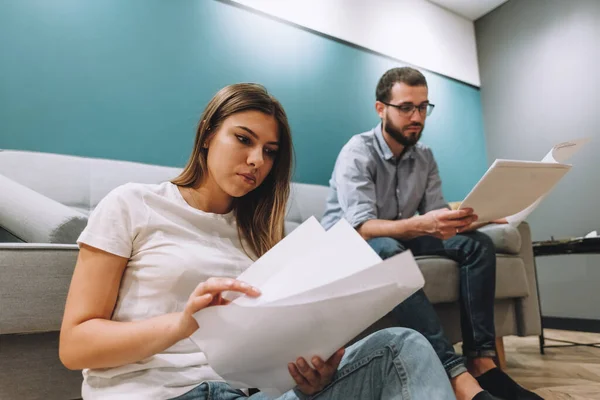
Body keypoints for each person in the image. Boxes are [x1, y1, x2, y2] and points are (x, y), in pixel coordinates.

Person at [59, 83, 455, 400]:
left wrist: (308, 378)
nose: (256, 161)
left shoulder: (261, 237)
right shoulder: (133, 203)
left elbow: (269, 365)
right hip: (151, 393)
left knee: (401, 347)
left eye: (269, 152)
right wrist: (182, 324)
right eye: (243, 139)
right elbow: (74, 346)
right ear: (208, 134)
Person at [321, 67, 544, 400]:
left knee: (477, 245)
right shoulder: (358, 152)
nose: (417, 116)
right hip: (354, 244)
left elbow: (437, 216)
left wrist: (486, 215)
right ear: (381, 108)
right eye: (407, 107)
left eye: (424, 107)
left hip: (400, 235)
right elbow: (363, 227)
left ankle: (482, 361)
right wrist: (423, 224)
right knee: (386, 249)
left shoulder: (424, 156)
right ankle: (454, 374)